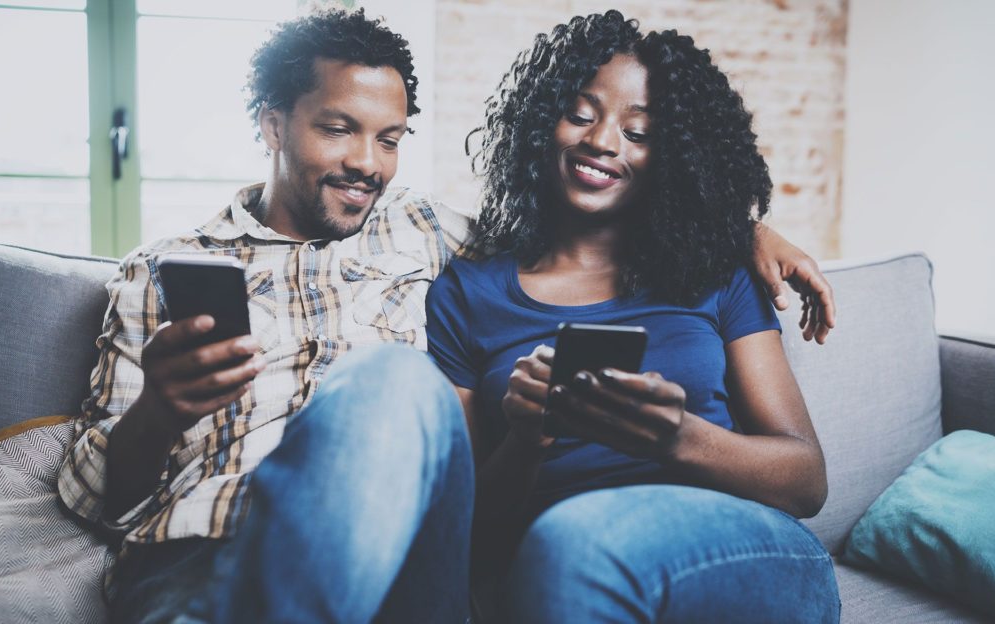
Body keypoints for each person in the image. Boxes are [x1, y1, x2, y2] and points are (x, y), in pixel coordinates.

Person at [57, 8, 833, 623]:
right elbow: (97, 499)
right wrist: (160, 409)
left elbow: (598, 215)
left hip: (402, 559)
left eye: (389, 139)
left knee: (394, 377)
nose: (367, 161)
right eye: (338, 127)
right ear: (271, 125)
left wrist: (742, 227)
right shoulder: (158, 273)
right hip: (200, 555)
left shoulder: (426, 232)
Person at [425, 10, 840, 623]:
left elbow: (805, 482)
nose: (602, 142)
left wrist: (677, 438)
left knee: (579, 543)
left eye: (639, 133)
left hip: (741, 549)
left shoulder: (715, 272)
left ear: (672, 157)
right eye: (582, 114)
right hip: (555, 565)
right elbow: (473, 538)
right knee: (565, 546)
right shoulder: (467, 292)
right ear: (542, 123)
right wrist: (526, 439)